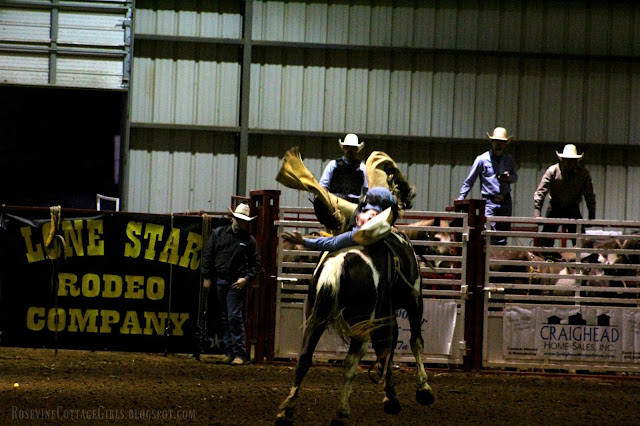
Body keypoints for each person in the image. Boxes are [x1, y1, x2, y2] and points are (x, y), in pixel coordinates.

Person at [201, 203, 261, 365]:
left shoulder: (248, 240)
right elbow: (208, 255)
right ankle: (231, 352)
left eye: (243, 221)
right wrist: (207, 277)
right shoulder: (220, 234)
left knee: (233, 317)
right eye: (239, 220)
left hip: (235, 282)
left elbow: (256, 264)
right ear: (233, 218)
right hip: (222, 280)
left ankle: (238, 353)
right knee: (226, 317)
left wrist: (245, 279)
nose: (241, 223)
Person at [282, 187, 397, 251]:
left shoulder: (357, 234)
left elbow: (333, 243)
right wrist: (303, 241)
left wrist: (303, 241)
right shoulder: (359, 233)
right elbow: (334, 242)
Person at [458, 127, 518, 245]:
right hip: (489, 201)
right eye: (496, 141)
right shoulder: (482, 159)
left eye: (501, 142)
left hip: (505, 201)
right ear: (492, 142)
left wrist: (508, 178)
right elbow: (470, 180)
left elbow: (515, 177)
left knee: (503, 235)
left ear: (506, 144)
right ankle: (488, 261)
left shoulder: (509, 160)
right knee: (489, 233)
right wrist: (461, 197)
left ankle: (498, 261)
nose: (498, 145)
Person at [534, 144, 596, 248]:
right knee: (546, 240)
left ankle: (582, 260)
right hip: (555, 206)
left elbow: (589, 195)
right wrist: (537, 212)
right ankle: (545, 258)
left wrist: (591, 215)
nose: (569, 162)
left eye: (572, 160)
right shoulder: (553, 171)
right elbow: (541, 191)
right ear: (562, 159)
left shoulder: (583, 174)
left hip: (572, 207)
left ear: (576, 161)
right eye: (567, 159)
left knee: (581, 241)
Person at [319, 133, 368, 204]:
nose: (349, 149)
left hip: (354, 204)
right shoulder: (333, 165)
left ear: (356, 149)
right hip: (335, 202)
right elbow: (323, 186)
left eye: (352, 147)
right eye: (347, 146)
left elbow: (367, 190)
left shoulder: (362, 168)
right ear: (344, 148)